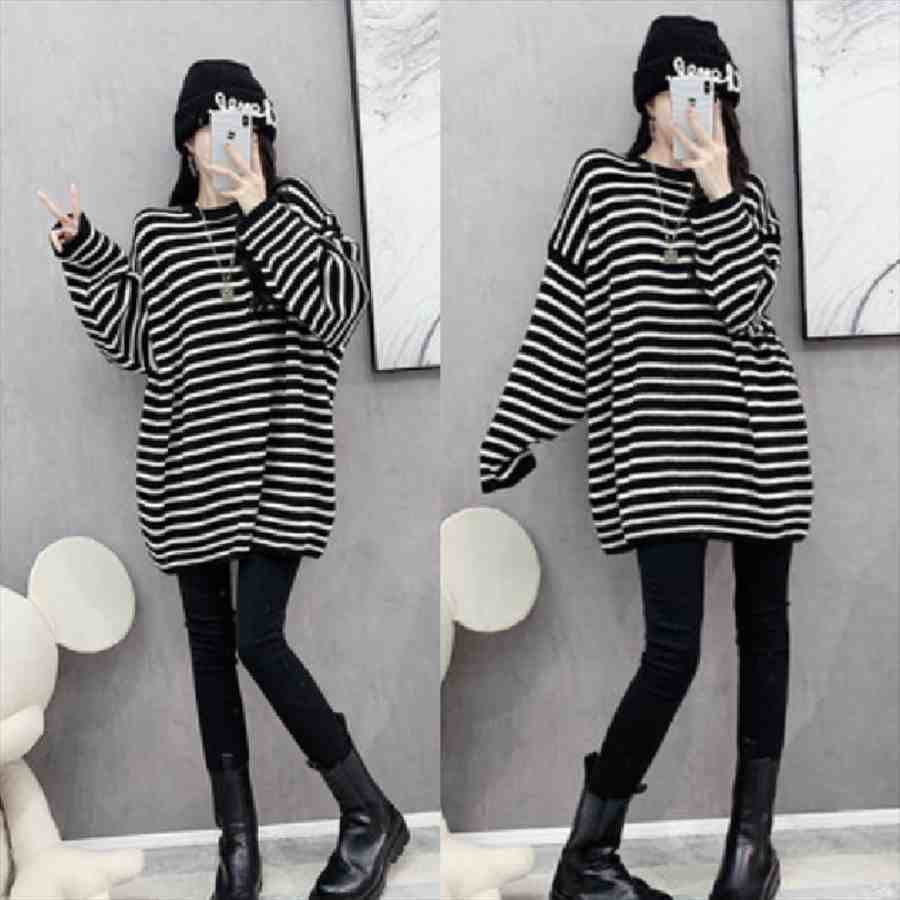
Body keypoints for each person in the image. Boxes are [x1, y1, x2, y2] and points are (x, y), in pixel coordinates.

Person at [39, 59, 408, 900]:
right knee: (211, 652)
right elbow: (137, 342)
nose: (232, 140)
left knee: (258, 640)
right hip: (189, 474)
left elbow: (337, 308)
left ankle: (367, 812)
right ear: (188, 140)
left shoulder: (296, 211)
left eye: (247, 126)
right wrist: (85, 252)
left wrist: (259, 208)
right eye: (215, 125)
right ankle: (236, 846)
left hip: (281, 467)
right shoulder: (161, 235)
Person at [478, 16, 813, 900]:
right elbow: (563, 317)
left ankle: (749, 852)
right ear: (649, 97)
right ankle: (588, 856)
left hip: (756, 439)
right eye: (678, 89)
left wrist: (716, 184)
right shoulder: (601, 183)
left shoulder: (745, 195)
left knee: (764, 634)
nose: (694, 107)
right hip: (659, 452)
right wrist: (515, 428)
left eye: (712, 94)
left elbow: (746, 306)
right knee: (673, 653)